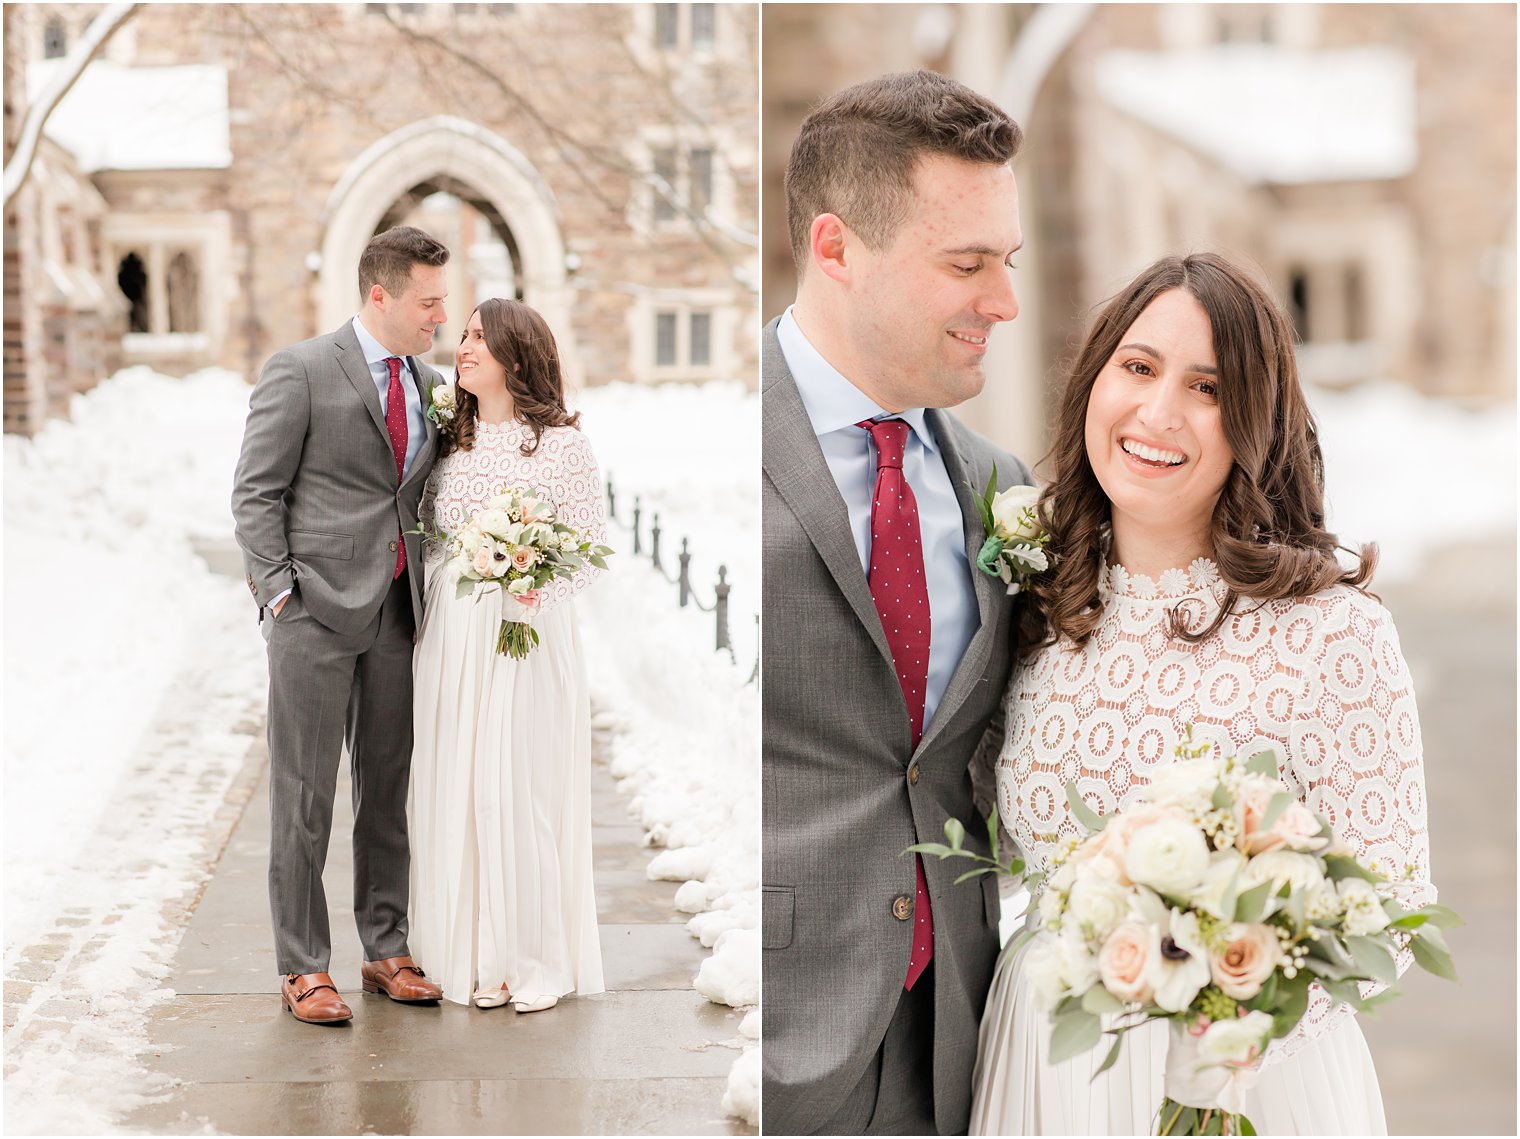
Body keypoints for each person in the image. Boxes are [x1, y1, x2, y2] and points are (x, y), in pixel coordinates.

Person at [972, 252, 1434, 1134]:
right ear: (1093, 383)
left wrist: (1223, 1038)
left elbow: (1393, 908)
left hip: (1246, 1085)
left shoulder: (1330, 634)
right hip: (1045, 1066)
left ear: (1254, 421)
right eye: (1138, 368)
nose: (1158, 412)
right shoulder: (1033, 599)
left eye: (1208, 388)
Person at [762, 70, 1033, 1135]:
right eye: (964, 264)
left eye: (1003, 262)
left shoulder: (999, 485)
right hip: (778, 1041)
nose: (1002, 301)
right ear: (835, 249)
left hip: (959, 1048)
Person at [232, 225, 451, 1024]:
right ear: (380, 293)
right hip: (313, 616)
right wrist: (280, 593)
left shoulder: (430, 382)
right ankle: (302, 965)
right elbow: (256, 491)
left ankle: (385, 946)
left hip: (398, 613)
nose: (440, 315)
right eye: (428, 301)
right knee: (303, 794)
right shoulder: (300, 370)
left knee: (387, 789)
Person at [406, 297, 606, 1014]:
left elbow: (586, 554)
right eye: (461, 335)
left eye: (479, 340)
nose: (461, 348)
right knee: (458, 789)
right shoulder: (446, 443)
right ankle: (478, 956)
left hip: (527, 639)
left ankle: (532, 955)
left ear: (517, 358)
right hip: (455, 641)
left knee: (517, 791)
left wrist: (526, 580)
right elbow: (429, 540)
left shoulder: (563, 447)